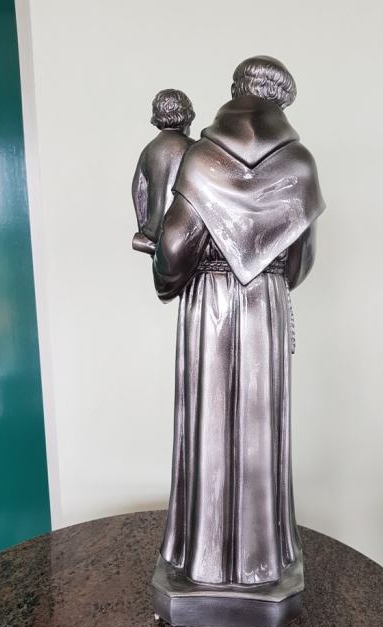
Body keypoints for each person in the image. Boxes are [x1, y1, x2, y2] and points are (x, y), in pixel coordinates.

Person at [153, 56, 325, 587]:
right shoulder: (299, 164)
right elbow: (300, 263)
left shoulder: (202, 157)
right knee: (258, 424)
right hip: (263, 305)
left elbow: (175, 247)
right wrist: (266, 272)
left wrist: (164, 276)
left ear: (235, 90)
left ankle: (202, 557)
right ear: (283, 101)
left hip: (210, 303)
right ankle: (261, 558)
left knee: (208, 418)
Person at [131, 89, 194, 255]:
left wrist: (145, 230)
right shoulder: (194, 149)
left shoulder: (149, 150)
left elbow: (139, 193)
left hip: (153, 234)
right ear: (187, 118)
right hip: (182, 235)